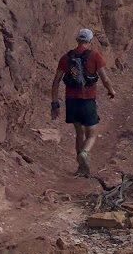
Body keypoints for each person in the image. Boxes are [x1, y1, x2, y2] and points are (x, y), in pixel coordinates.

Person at [50, 28, 116, 177]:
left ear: (77, 39)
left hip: (71, 100)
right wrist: (111, 90)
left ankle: (81, 168)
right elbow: (105, 78)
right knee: (92, 134)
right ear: (90, 41)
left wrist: (55, 103)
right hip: (88, 100)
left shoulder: (66, 58)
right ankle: (84, 154)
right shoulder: (95, 56)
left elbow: (56, 81)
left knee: (79, 133)